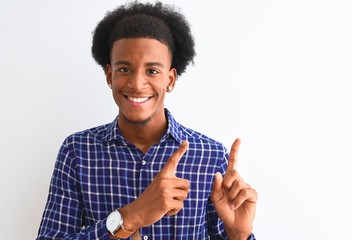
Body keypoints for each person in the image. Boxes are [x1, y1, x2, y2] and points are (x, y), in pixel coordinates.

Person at [36, 1, 258, 239]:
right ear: (109, 75)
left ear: (170, 80)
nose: (137, 84)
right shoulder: (77, 151)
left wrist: (239, 234)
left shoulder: (210, 155)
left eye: (152, 71)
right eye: (124, 69)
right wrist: (130, 216)